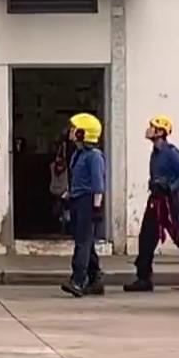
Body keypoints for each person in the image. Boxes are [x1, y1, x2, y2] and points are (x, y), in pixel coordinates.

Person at [125, 115, 179, 292]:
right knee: (146, 237)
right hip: (155, 199)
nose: (148, 130)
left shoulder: (171, 153)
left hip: (168, 201)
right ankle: (143, 277)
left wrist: (170, 187)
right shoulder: (155, 153)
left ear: (161, 132)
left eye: (152, 127)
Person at [61, 112, 106, 297]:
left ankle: (79, 280)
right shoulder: (78, 155)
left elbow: (97, 185)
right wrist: (68, 194)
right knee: (87, 242)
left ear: (82, 133)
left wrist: (97, 207)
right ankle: (95, 278)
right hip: (77, 200)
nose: (71, 132)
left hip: (88, 202)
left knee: (83, 242)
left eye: (74, 129)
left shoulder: (94, 156)